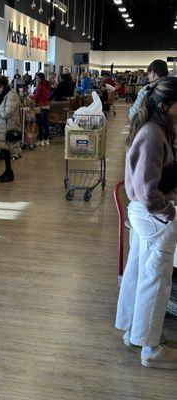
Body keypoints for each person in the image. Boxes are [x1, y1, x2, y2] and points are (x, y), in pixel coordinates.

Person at [115, 77, 177, 369]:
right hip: (152, 214)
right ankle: (150, 348)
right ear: (165, 105)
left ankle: (133, 331)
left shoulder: (155, 128)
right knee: (155, 281)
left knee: (139, 273)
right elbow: (145, 188)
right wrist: (168, 213)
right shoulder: (153, 133)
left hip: (144, 213)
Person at [30, 72, 50, 146]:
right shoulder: (47, 84)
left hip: (40, 106)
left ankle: (41, 140)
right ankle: (46, 139)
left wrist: (30, 96)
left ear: (40, 78)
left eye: (37, 77)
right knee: (45, 123)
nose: (36, 79)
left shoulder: (40, 85)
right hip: (46, 105)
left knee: (40, 124)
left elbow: (36, 96)